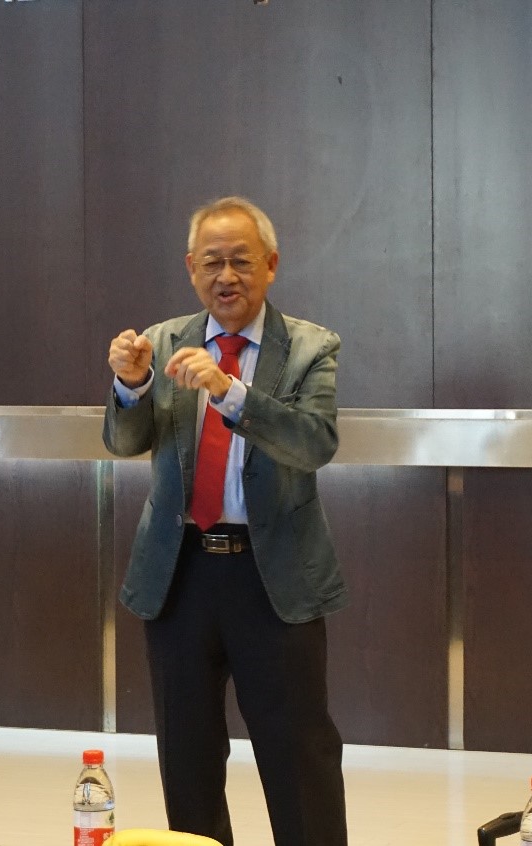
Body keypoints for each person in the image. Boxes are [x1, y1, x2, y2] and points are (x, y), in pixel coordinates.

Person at [103, 196, 349, 846]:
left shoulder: (310, 347)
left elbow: (314, 443)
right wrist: (131, 386)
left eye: (241, 261)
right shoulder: (161, 342)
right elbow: (125, 442)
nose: (226, 276)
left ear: (271, 264)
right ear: (191, 268)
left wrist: (229, 391)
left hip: (273, 576)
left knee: (298, 757)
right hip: (180, 573)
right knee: (187, 758)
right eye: (211, 262)